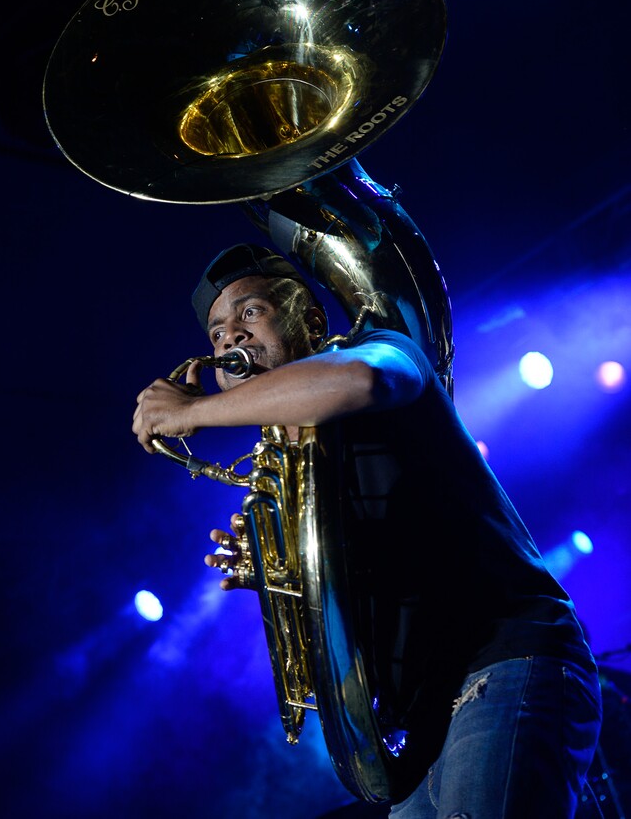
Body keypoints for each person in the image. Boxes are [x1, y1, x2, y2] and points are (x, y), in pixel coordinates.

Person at [132, 242, 602, 818]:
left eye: (250, 312)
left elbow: (361, 381)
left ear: (307, 318)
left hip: (507, 657)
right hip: (421, 721)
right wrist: (286, 572)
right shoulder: (287, 468)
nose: (230, 337)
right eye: (216, 332)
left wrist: (189, 412)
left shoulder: (384, 348)